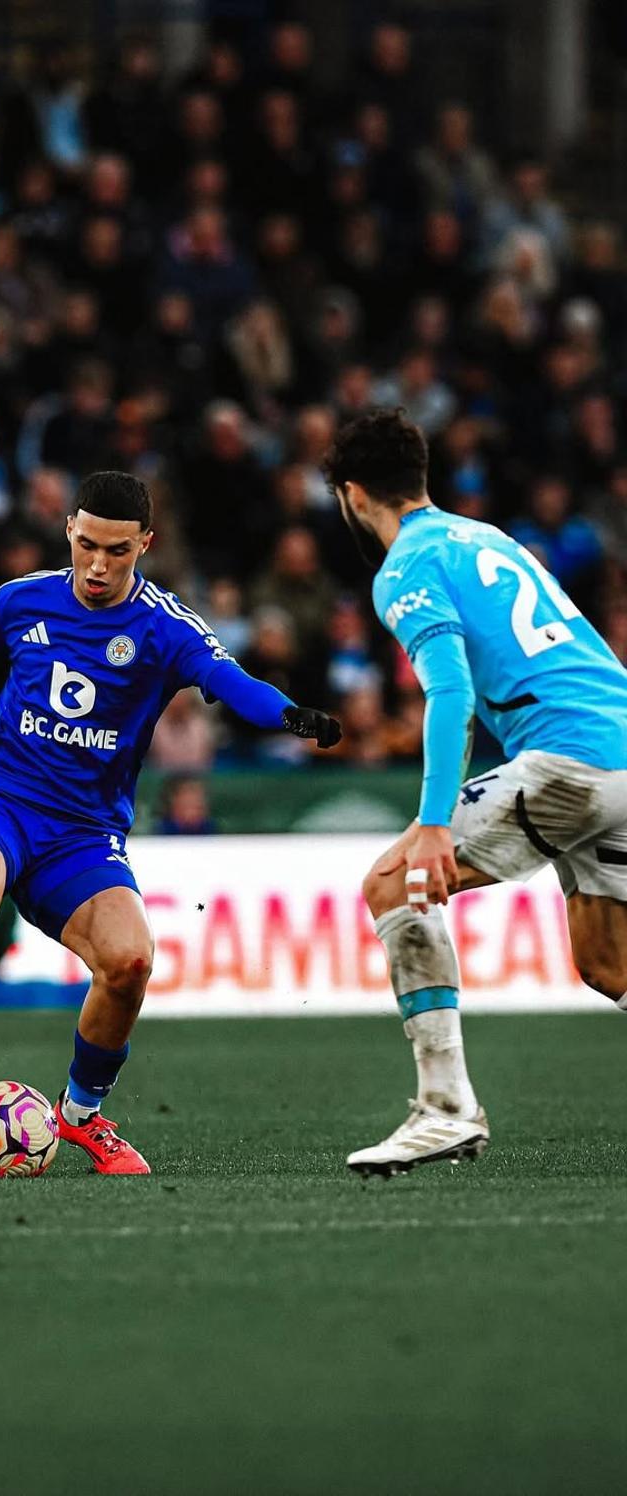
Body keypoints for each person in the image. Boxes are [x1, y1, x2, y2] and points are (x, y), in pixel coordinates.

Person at [0, 471, 341, 1173]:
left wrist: (291, 715)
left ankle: (81, 1115)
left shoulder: (165, 627)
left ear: (145, 544)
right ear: (68, 531)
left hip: (82, 830)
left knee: (130, 963)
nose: (98, 565)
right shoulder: (24, 598)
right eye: (87, 544)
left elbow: (230, 681)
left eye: (118, 551)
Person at [325, 409, 627, 1176]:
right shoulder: (485, 537)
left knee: (395, 884)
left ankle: (445, 1111)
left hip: (572, 760)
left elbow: (450, 693)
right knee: (609, 964)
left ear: (352, 495)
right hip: (618, 747)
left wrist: (433, 822)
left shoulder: (405, 568)